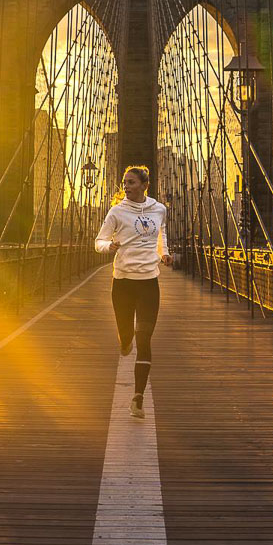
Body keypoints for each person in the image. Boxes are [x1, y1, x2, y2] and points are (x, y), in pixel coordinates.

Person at [94, 165, 171, 419]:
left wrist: (165, 253)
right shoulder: (116, 212)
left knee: (144, 338)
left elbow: (161, 235)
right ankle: (124, 339)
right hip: (123, 283)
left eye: (131, 182)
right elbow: (99, 241)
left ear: (144, 185)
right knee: (127, 337)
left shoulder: (159, 209)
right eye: (124, 182)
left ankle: (137, 399)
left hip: (149, 282)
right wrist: (110, 247)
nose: (126, 186)